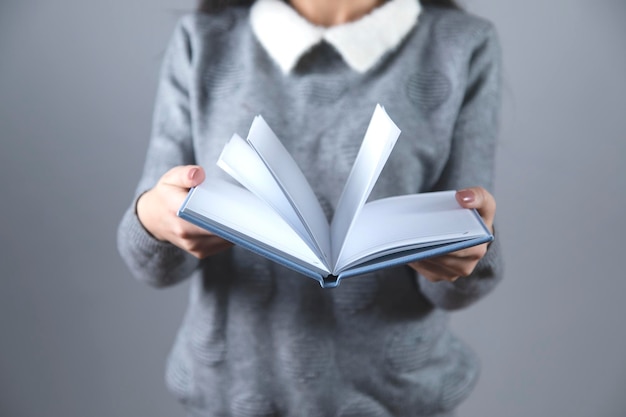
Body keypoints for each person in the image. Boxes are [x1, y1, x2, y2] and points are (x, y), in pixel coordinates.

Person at [117, 0, 503, 415]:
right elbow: (150, 261)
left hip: (394, 398)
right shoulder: (204, 40)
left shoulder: (461, 45)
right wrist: (156, 220)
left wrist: (468, 251)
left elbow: (464, 276)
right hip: (232, 395)